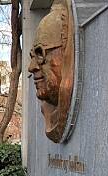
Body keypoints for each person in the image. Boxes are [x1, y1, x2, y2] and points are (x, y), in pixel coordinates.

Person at [27, 0, 74, 143]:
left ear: (64, 51)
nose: (32, 67)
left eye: (40, 54)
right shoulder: (48, 112)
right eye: (32, 56)